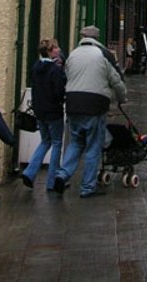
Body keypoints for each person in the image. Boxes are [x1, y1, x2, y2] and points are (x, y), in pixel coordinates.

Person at [53, 34, 127, 198]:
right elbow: (116, 80)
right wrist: (122, 98)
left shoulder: (73, 55)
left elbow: (67, 76)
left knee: (76, 142)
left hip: (73, 103)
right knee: (93, 146)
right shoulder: (101, 56)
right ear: (97, 40)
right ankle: (87, 187)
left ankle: (62, 174)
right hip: (94, 104)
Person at [21, 39, 66, 192]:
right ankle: (52, 181)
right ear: (49, 51)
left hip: (40, 111)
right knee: (56, 143)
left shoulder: (35, 67)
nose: (58, 50)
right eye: (55, 48)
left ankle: (29, 172)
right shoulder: (55, 70)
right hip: (53, 111)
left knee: (45, 141)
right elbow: (59, 91)